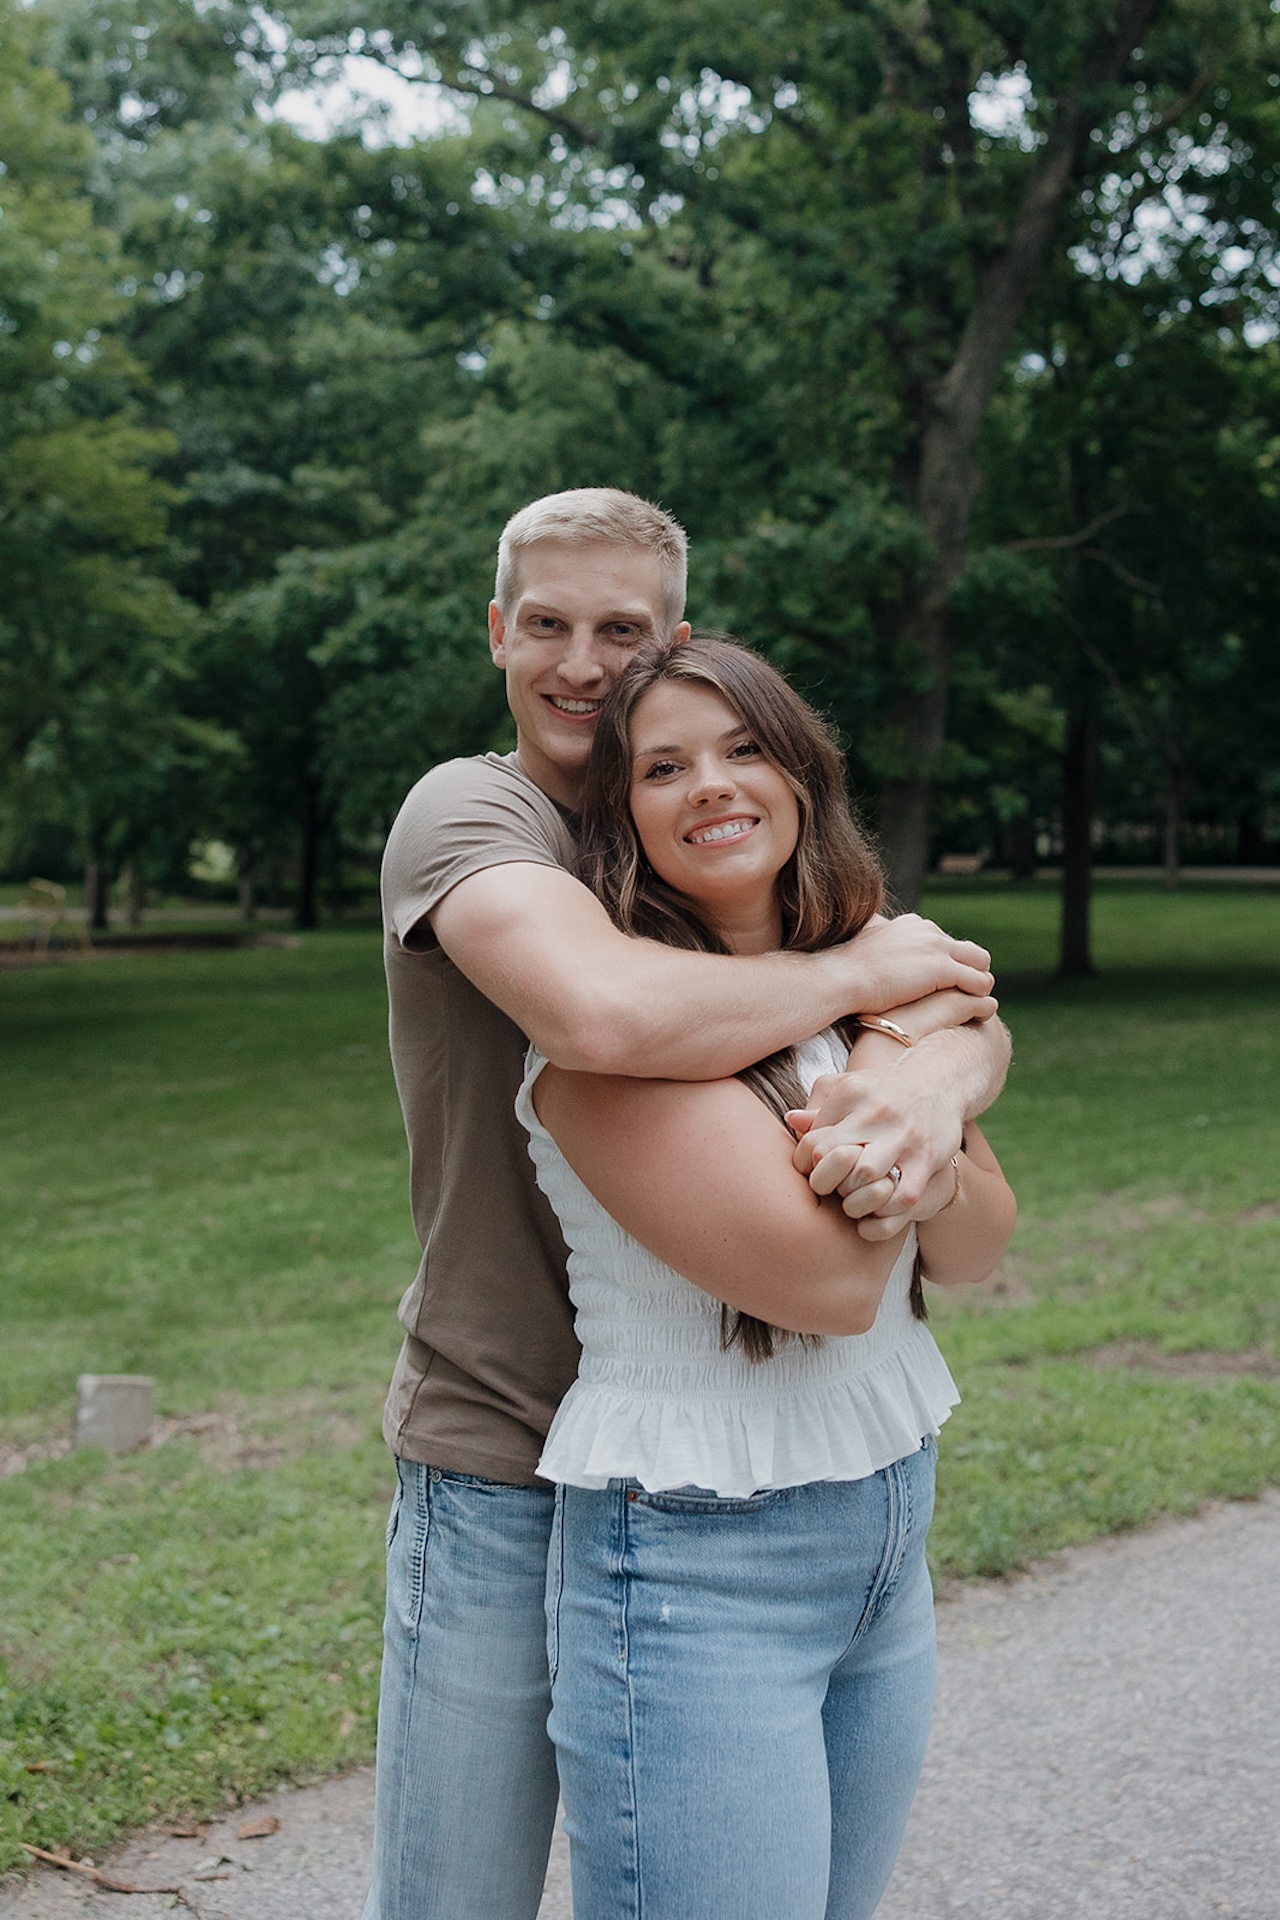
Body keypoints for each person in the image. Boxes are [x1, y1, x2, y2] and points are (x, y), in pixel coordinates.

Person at [367, 489, 1010, 1920]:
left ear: (679, 641)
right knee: (454, 1899)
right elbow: (605, 1016)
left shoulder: (707, 842)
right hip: (508, 1437)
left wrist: (932, 1071)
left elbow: (937, 1003)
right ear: (497, 633)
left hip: (763, 1452)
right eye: (548, 624)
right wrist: (884, 996)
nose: (582, 663)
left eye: (623, 630)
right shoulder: (477, 814)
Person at [519, 633, 1017, 1920]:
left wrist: (925, 1099)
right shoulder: (610, 1054)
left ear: (799, 773)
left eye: (743, 749)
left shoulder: (872, 993)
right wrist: (938, 1064)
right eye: (663, 767)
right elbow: (830, 1289)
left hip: (882, 1536)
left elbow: (973, 1248)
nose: (713, 786)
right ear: (622, 817)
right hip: (692, 1565)